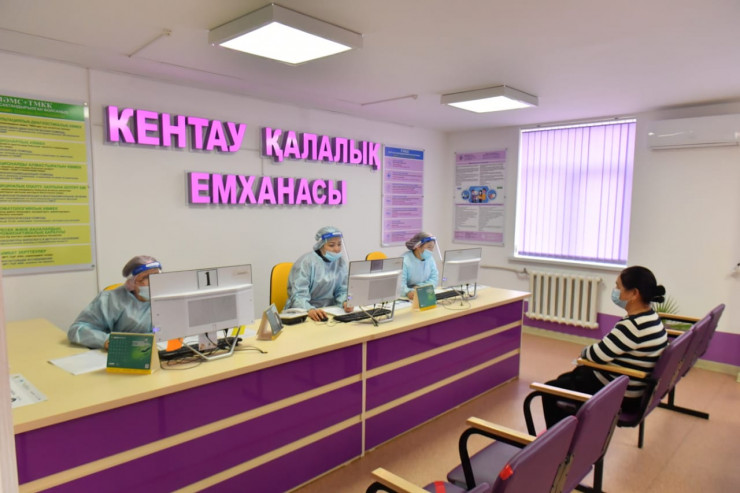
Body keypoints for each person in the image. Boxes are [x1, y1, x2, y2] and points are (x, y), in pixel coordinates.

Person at [542, 265, 668, 427]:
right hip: (633, 388)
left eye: (618, 287)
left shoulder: (632, 326)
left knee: (550, 390)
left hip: (622, 394)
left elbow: (595, 355)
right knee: (564, 380)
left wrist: (585, 352)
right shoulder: (651, 317)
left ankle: (561, 439)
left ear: (634, 294)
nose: (615, 291)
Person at [67, 255, 162, 350]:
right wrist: (107, 340)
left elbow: (162, 331)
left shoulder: (164, 299)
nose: (155, 281)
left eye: (157, 275)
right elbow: (76, 329)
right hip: (119, 352)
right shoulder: (111, 300)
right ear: (132, 282)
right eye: (147, 277)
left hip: (156, 351)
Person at [285, 226, 353, 321]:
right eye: (331, 245)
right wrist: (309, 309)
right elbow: (298, 296)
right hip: (304, 313)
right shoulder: (306, 263)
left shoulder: (340, 262)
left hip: (329, 313)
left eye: (339, 244)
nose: (337, 249)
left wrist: (345, 302)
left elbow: (342, 290)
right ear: (321, 245)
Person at [401, 232, 439, 300]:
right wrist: (408, 292)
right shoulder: (404, 261)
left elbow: (434, 279)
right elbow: (399, 284)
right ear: (418, 246)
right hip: (408, 298)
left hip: (424, 295)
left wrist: (419, 288)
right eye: (429, 247)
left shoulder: (430, 258)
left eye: (432, 248)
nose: (431, 251)